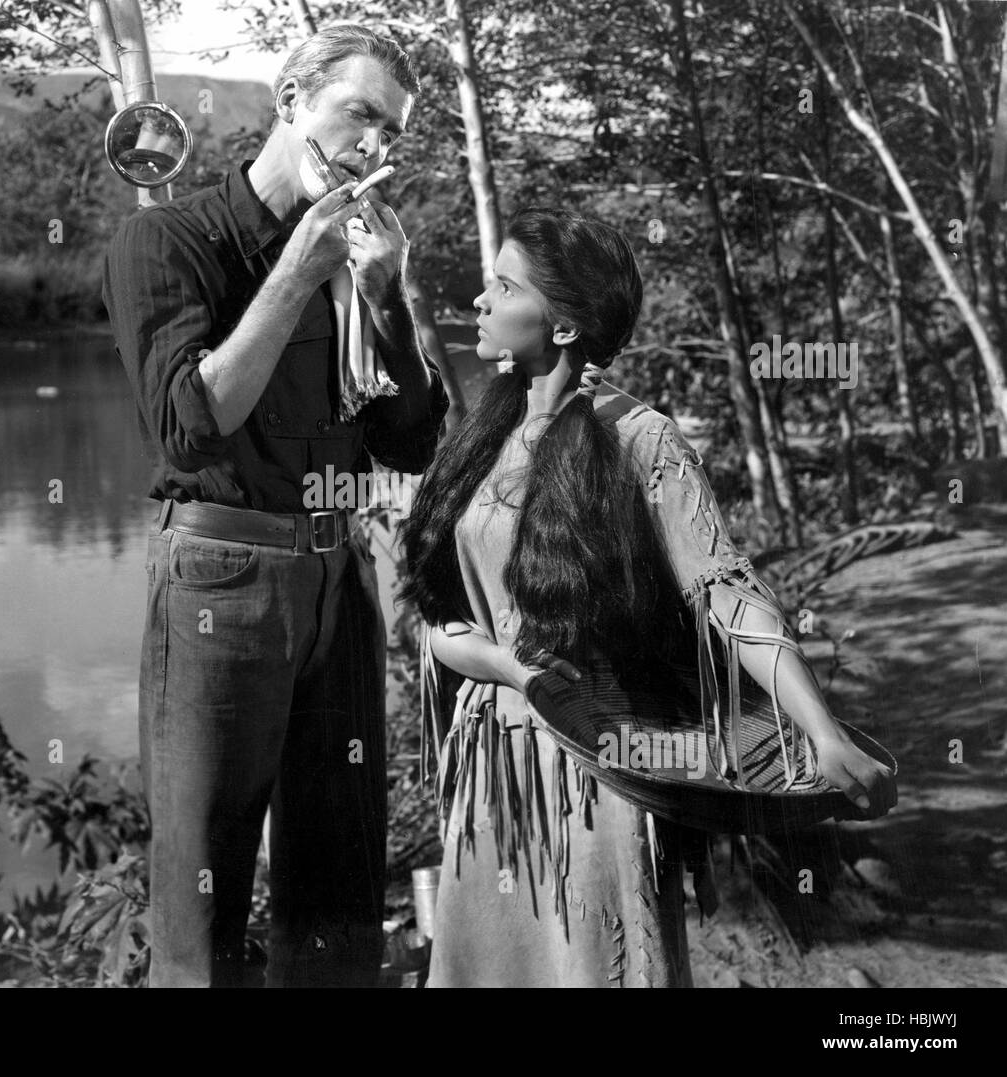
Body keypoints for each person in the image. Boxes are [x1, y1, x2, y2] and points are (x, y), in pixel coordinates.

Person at [399, 209, 896, 987]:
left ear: (562, 327)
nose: (480, 301)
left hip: (599, 770)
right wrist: (508, 667)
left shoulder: (639, 438)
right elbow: (440, 620)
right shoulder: (484, 429)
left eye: (502, 286)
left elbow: (726, 593)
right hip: (494, 781)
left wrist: (820, 732)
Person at [101, 25, 449, 988]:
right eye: (361, 113)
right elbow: (190, 427)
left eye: (394, 129)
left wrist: (388, 295)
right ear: (292, 100)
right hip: (222, 579)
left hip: (340, 578)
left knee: (339, 879)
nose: (378, 143)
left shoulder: (357, 264)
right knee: (202, 894)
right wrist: (301, 265)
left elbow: (411, 443)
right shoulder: (166, 240)